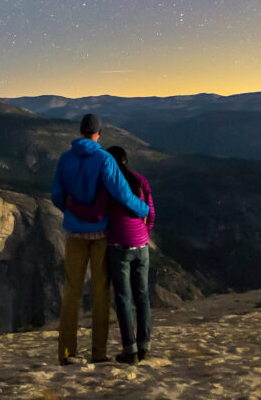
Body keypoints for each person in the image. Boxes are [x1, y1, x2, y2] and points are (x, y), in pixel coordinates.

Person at [51, 113, 150, 366]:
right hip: (101, 236)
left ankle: (66, 352)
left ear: (80, 131)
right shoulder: (105, 159)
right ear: (99, 133)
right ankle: (98, 352)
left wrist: (72, 209)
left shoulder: (65, 159)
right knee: (100, 293)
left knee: (71, 292)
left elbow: (56, 196)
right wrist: (143, 210)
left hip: (74, 235)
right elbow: (122, 194)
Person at [102, 145, 154, 364]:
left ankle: (130, 351)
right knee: (142, 296)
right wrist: (144, 234)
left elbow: (102, 215)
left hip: (119, 246)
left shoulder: (109, 184)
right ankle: (145, 347)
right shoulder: (140, 180)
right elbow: (151, 212)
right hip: (141, 246)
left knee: (123, 299)